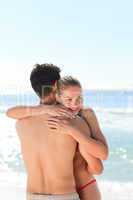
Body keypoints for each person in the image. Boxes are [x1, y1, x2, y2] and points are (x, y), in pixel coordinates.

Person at [7, 64, 109, 200]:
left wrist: (43, 110)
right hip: (63, 195)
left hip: (31, 195)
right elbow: (98, 166)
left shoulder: (21, 123)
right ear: (56, 85)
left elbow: (9, 112)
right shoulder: (74, 120)